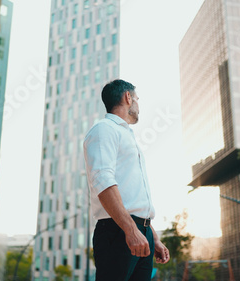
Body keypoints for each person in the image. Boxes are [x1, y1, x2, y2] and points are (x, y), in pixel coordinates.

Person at [83, 79, 170, 280]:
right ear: (128, 97)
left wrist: (152, 236)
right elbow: (103, 181)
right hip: (118, 231)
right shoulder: (104, 129)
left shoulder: (127, 136)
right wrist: (131, 230)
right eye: (137, 98)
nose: (138, 105)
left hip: (139, 231)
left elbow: (133, 196)